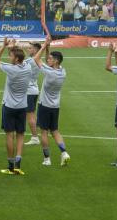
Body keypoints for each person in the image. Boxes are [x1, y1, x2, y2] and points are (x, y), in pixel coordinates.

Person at [0, 38, 32, 175]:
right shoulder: (27, 67)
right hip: (22, 106)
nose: (9, 57)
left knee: (9, 135)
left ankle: (10, 166)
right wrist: (15, 47)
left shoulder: (11, 69)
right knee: (20, 134)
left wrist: (4, 46)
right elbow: (24, 58)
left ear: (16, 59)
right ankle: (18, 162)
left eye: (11, 56)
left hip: (9, 106)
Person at [33, 37, 70, 166]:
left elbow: (36, 59)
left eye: (50, 59)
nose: (47, 60)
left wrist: (43, 46)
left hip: (44, 105)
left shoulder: (49, 72)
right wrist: (48, 48)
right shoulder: (62, 71)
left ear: (56, 61)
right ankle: (64, 153)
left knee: (43, 132)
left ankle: (47, 159)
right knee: (55, 131)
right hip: (55, 106)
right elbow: (49, 61)